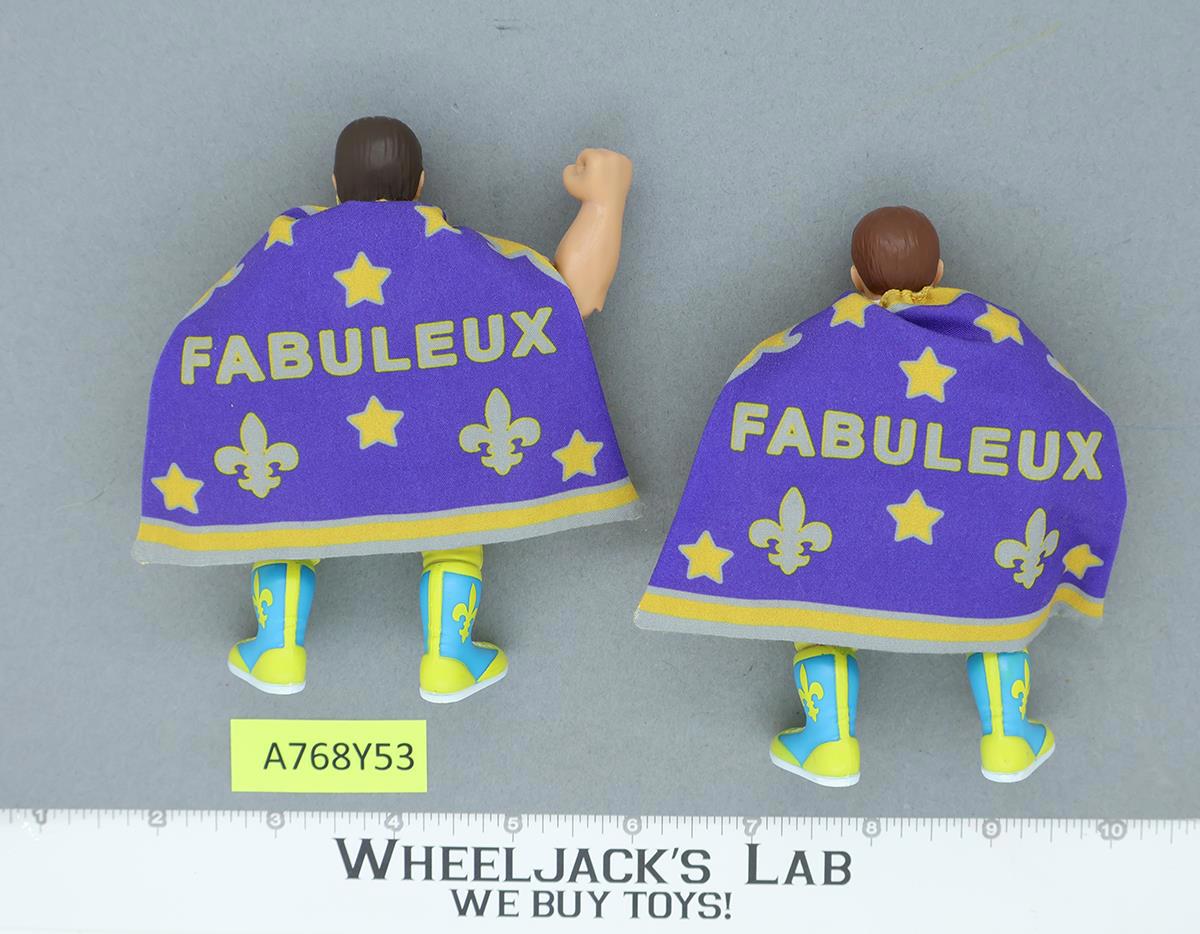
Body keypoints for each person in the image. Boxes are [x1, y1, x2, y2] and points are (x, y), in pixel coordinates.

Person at [136, 117, 638, 703]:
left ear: (334, 183)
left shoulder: (289, 247)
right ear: (420, 183)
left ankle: (276, 649)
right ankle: (449, 658)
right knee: (456, 518)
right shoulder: (445, 249)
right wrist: (603, 205)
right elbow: (562, 301)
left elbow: (215, 328)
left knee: (284, 510)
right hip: (434, 440)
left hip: (308, 437)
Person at [636, 206, 1126, 784]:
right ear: (939, 271)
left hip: (852, 538)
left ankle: (829, 743)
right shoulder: (998, 339)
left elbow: (757, 400)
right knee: (999, 607)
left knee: (815, 599)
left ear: (854, 277)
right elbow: (1058, 407)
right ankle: (1008, 738)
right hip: (974, 539)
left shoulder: (824, 342)